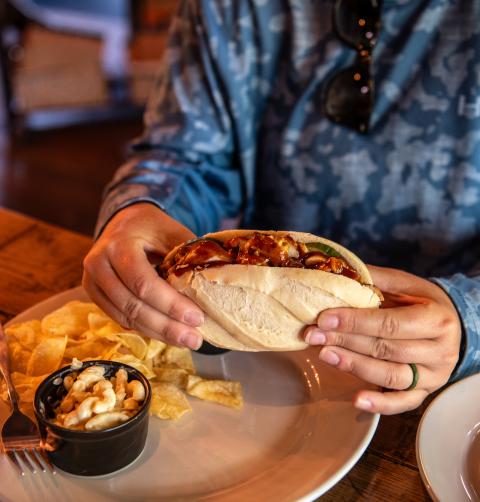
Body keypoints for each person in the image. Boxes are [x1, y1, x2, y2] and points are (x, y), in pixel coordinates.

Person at [82, 0, 480, 415]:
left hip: (452, 400)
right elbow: (183, 155)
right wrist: (134, 210)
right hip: (254, 365)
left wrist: (468, 321)